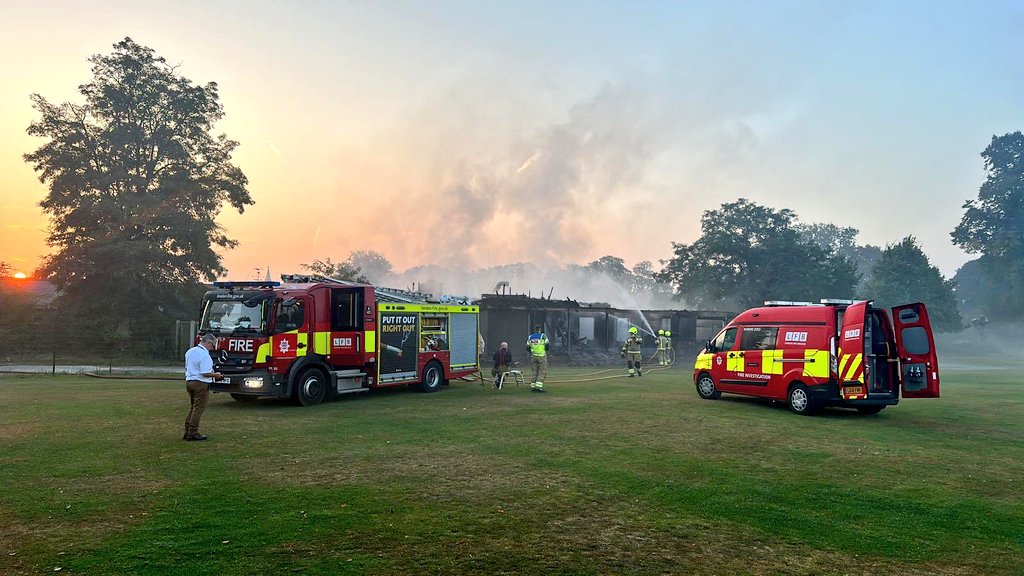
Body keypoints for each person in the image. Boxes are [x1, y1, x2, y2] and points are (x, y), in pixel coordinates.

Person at [183, 333, 223, 441]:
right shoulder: (204, 355)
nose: (212, 348)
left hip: (189, 381)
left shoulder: (190, 351)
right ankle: (193, 432)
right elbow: (205, 372)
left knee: (193, 407)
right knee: (198, 408)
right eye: (213, 345)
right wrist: (216, 375)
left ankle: (187, 431)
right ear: (209, 343)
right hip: (200, 383)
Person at [526, 324, 549, 393]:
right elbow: (547, 345)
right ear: (540, 330)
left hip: (533, 356)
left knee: (534, 371)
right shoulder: (543, 336)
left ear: (534, 330)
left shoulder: (530, 337)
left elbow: (527, 347)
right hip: (541, 356)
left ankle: (533, 386)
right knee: (542, 372)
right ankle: (538, 387)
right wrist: (544, 350)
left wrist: (533, 351)